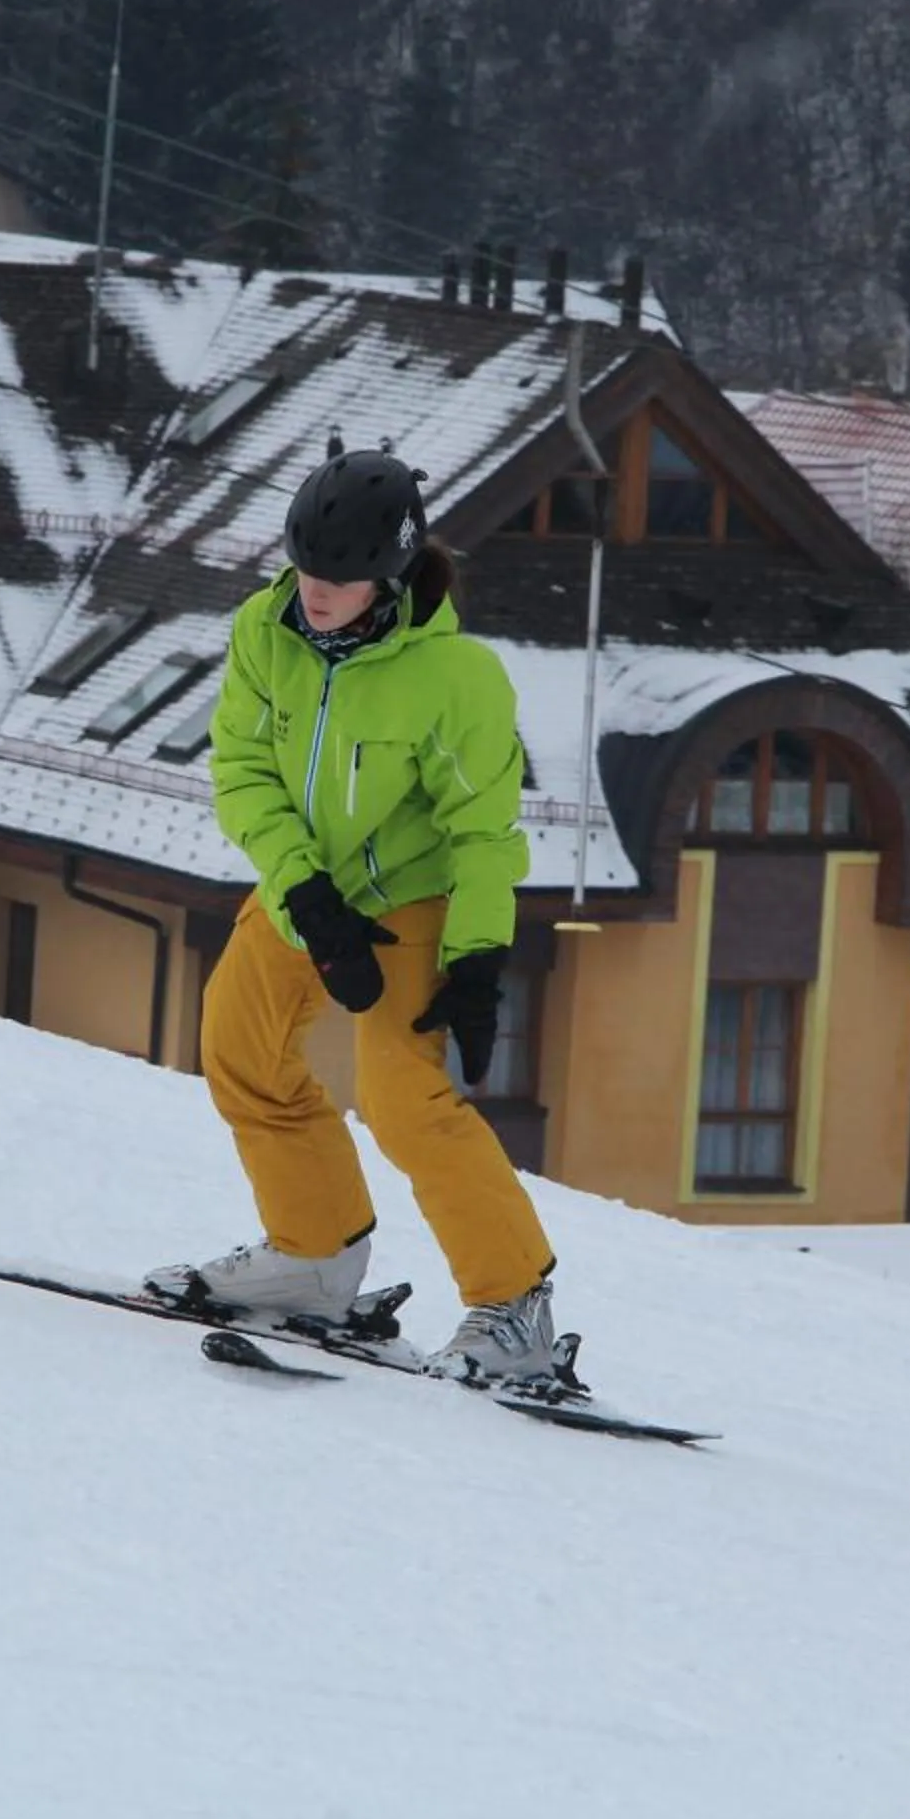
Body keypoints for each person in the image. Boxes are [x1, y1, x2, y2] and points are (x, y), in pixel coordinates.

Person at [146, 442, 566, 1384]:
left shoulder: (459, 679)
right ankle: (312, 1259)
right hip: (307, 889)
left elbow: (484, 834)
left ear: (393, 573)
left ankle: (515, 1309)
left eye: (341, 578)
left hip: (412, 896)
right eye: (305, 571)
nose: (316, 593)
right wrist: (302, 891)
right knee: (240, 1052)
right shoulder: (265, 629)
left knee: (404, 1099)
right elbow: (242, 769)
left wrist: (477, 959)